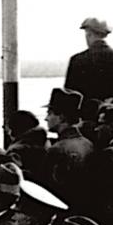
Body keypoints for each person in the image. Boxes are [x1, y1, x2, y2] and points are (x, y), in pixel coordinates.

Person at [64, 17, 113, 124]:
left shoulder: (77, 60)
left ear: (89, 34)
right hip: (112, 120)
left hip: (85, 119)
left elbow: (69, 95)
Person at [44, 87, 95, 215]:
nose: (46, 118)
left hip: (64, 213)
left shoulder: (57, 150)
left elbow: (51, 190)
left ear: (61, 117)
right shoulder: (88, 144)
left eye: (50, 113)